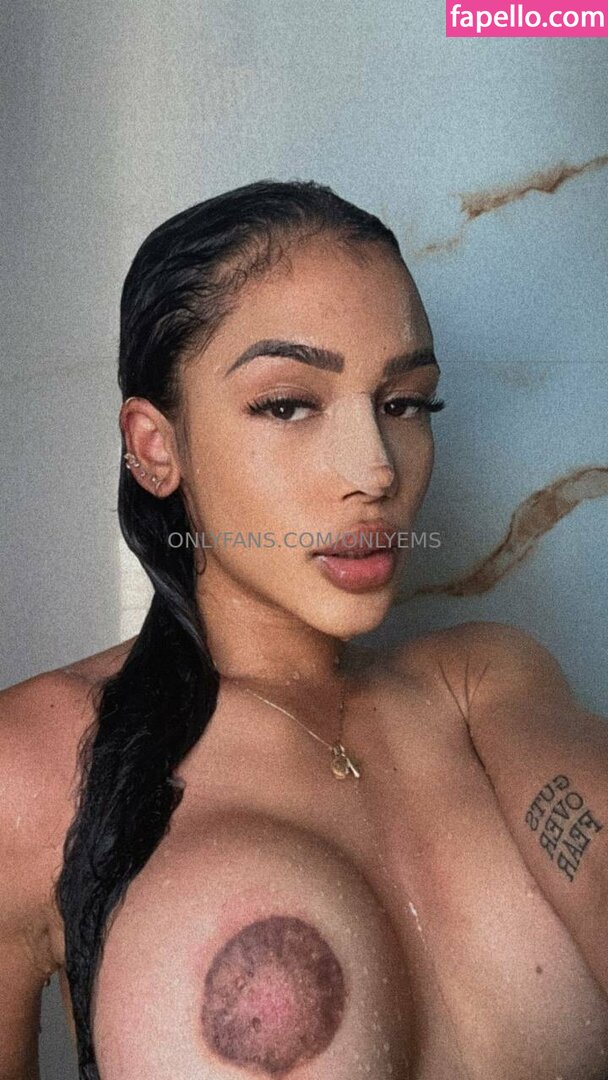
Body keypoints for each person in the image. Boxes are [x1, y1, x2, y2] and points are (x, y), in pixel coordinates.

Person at [1, 179, 607, 1080]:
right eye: (288, 404)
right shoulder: (32, 765)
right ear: (157, 446)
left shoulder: (486, 684)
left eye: (405, 403)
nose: (376, 470)